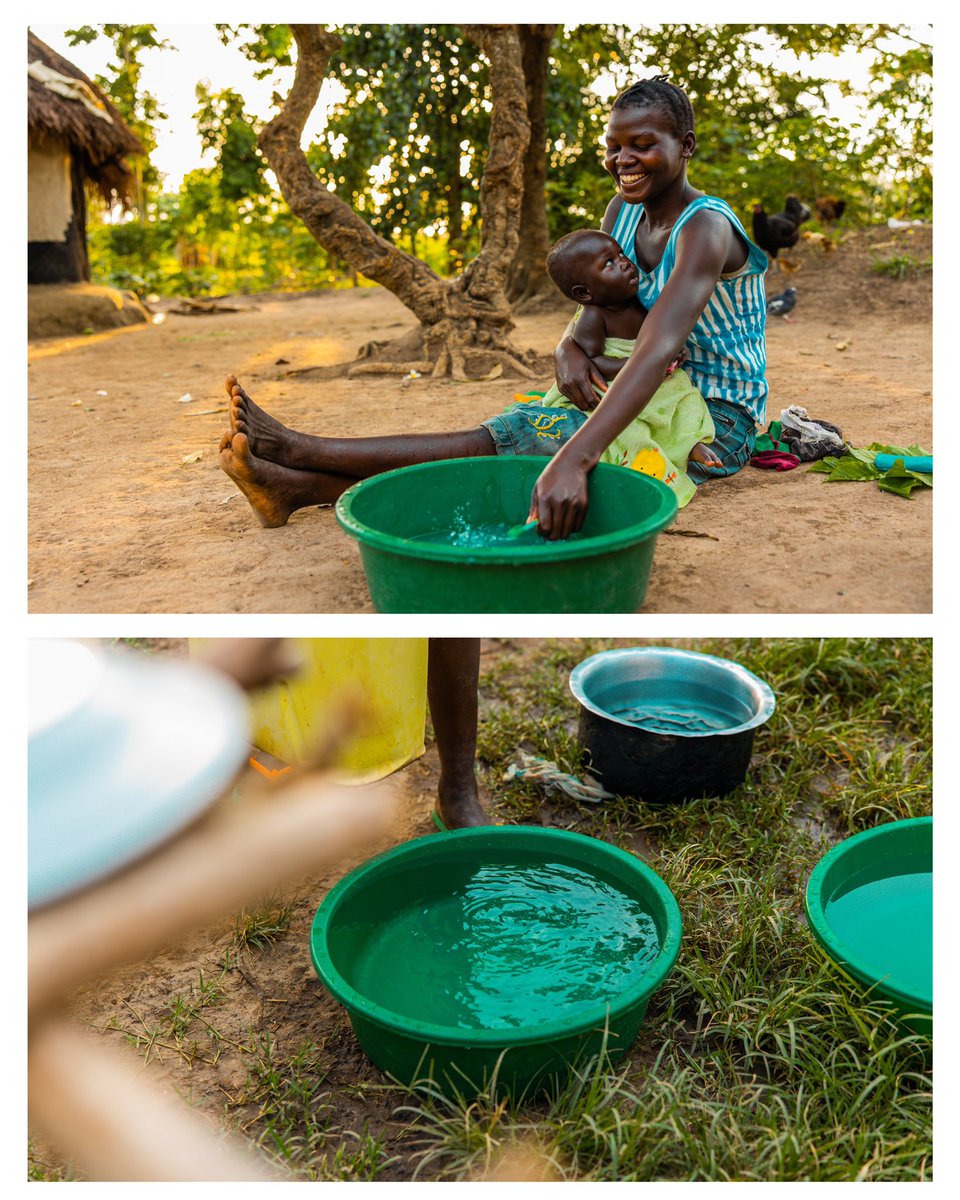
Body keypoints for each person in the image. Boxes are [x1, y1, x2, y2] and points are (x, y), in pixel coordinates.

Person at [218, 76, 767, 540]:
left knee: (532, 449)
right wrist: (568, 346)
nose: (623, 160)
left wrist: (575, 458)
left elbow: (658, 348)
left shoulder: (706, 229)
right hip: (639, 386)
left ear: (685, 145)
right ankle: (294, 485)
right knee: (526, 437)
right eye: (613, 146)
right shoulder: (623, 212)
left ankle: (302, 452)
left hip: (710, 419)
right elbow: (592, 304)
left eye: (642, 144)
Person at [522, 227, 719, 507]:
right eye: (609, 263)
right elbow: (593, 361)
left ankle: (689, 442)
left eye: (621, 254)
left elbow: (666, 334)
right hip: (614, 379)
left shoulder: (643, 299)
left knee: (684, 399)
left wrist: (676, 352)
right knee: (631, 423)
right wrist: (635, 364)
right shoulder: (593, 317)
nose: (625, 262)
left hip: (655, 375)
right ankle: (653, 460)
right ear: (584, 292)